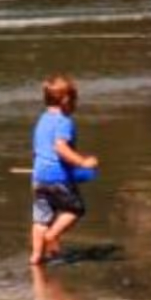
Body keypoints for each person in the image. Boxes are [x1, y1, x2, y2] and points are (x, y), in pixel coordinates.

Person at [29, 74, 99, 266]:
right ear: (66, 100)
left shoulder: (42, 120)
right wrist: (82, 162)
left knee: (41, 219)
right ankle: (52, 236)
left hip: (39, 177)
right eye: (75, 99)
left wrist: (36, 173)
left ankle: (36, 256)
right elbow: (60, 147)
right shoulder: (64, 121)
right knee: (75, 208)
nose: (76, 104)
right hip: (58, 177)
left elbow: (37, 150)